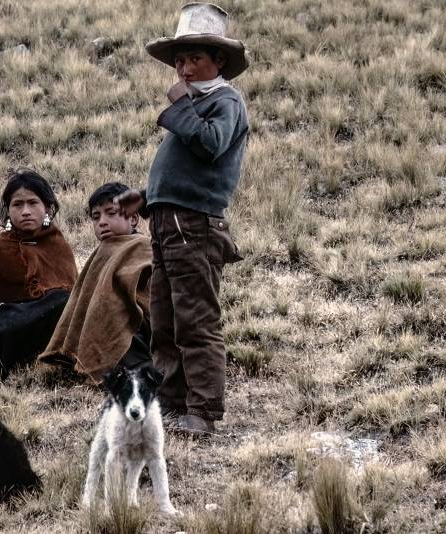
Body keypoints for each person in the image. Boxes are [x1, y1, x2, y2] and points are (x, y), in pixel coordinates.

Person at [117, 3, 249, 435]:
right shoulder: (197, 104)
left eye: (195, 58)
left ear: (219, 61)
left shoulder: (225, 102)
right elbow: (184, 171)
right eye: (180, 60)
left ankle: (204, 412)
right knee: (166, 320)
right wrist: (149, 195)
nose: (184, 68)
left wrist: (181, 105)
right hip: (168, 225)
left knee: (196, 321)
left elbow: (210, 145)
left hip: (194, 230)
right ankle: (172, 402)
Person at [0, 169, 77, 382]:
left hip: (48, 329)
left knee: (63, 301)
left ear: (47, 208)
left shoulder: (59, 246)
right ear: (9, 210)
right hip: (7, 331)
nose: (26, 211)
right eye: (18, 205)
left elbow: (76, 303)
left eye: (33, 203)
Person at [39, 182, 152, 382]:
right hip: (111, 328)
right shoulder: (103, 251)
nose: (102, 222)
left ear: (133, 218)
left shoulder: (142, 246)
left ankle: (138, 368)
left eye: (111, 213)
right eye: (96, 216)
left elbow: (148, 297)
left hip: (140, 329)